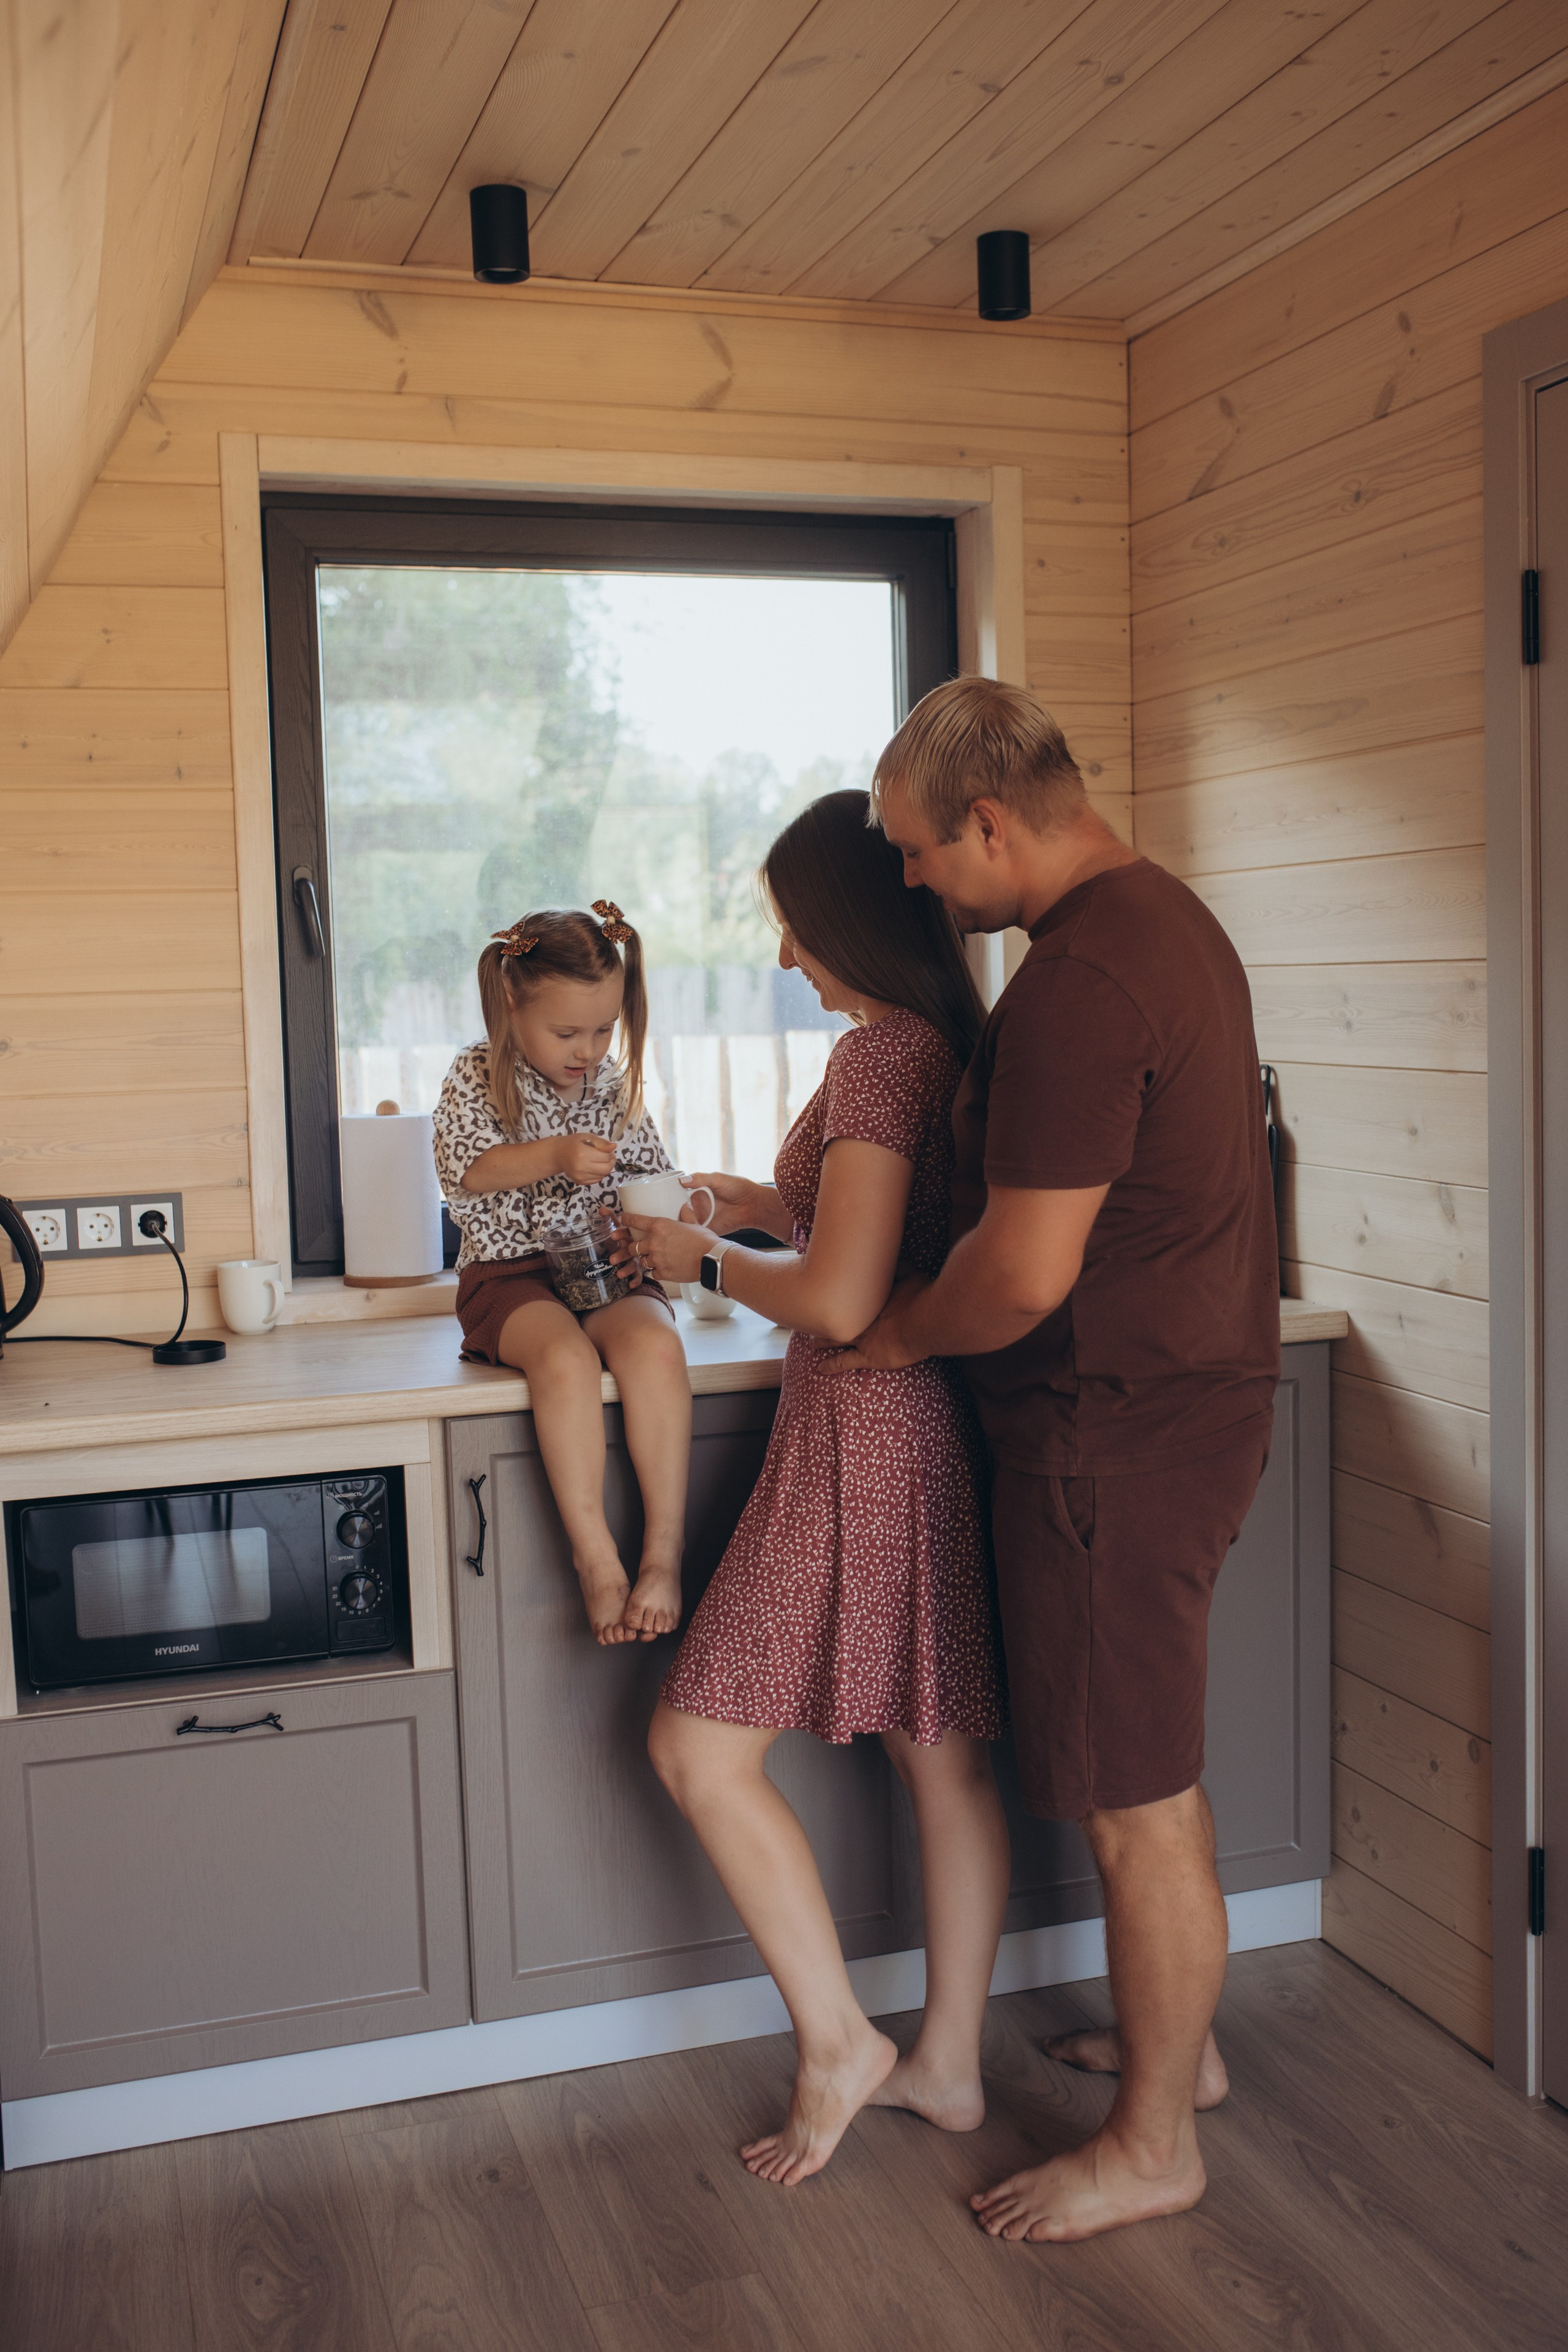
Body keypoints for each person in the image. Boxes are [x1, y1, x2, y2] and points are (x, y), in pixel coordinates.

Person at [832, 676, 1280, 2245]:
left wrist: (892, 1332)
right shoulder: (1169, 921)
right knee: (1151, 1774)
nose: (904, 880)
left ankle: (1151, 2140)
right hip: (1184, 1407)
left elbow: (1019, 1275)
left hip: (1112, 1435)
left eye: (910, 848)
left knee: (1133, 1809)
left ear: (989, 821)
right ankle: (1188, 2057)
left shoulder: (1080, 983)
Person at [627, 790, 1009, 2189]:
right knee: (942, 1756)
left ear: (846, 918)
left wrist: (698, 1264)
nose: (783, 956)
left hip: (858, 1428)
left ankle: (839, 2041)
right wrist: (752, 1203)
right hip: (931, 1430)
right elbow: (868, 1234)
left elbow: (841, 1298)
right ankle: (952, 2069)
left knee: (696, 1750)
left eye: (791, 926)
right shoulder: (931, 1044)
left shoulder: (872, 1058)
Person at [432, 901, 690, 1648]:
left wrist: (674, 1204)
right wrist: (553, 1154)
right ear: (511, 1004)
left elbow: (649, 1172)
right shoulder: (475, 1072)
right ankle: (596, 1558)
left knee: (654, 1346)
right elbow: (464, 1170)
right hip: (509, 1276)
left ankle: (663, 1555)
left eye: (604, 1029)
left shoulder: (610, 1084)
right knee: (564, 1358)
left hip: (602, 1264)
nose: (588, 1049)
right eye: (568, 1032)